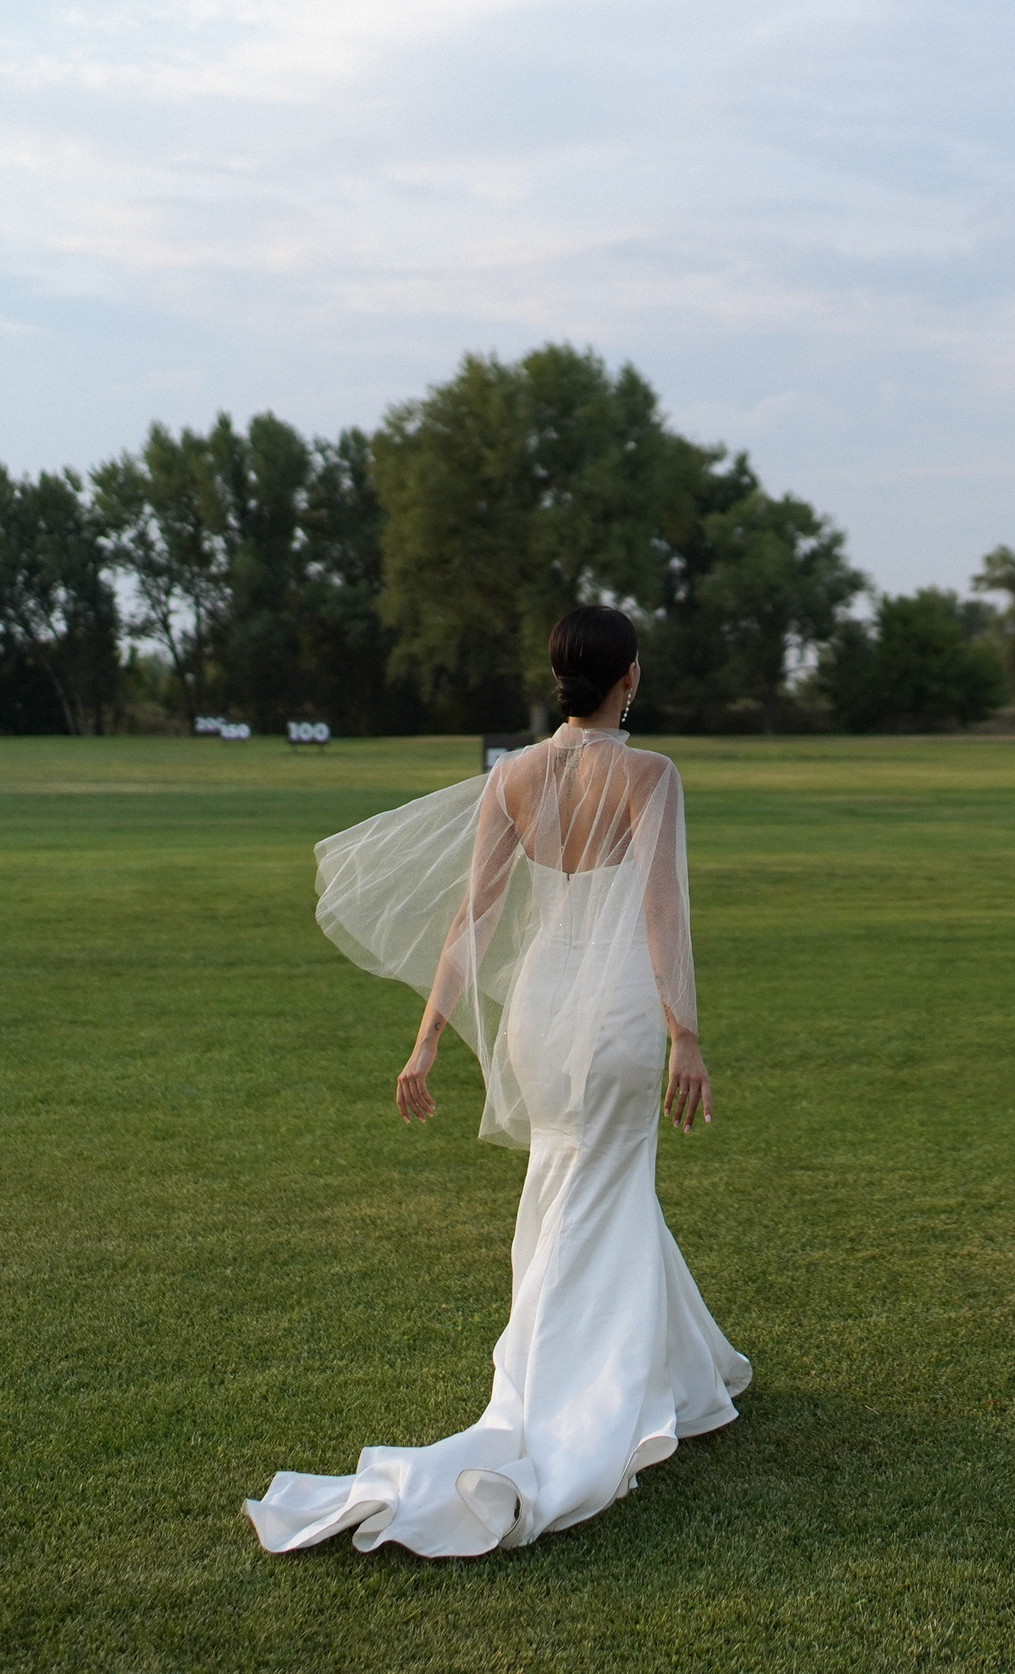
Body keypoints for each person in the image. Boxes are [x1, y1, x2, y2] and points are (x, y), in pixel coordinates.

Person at [243, 606, 749, 1557]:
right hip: (622, 1012)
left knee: (577, 1179)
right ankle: (564, 1393)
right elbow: (662, 913)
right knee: (601, 1182)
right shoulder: (651, 775)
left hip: (541, 1013)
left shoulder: (511, 776)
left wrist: (427, 1037)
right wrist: (687, 1033)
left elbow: (471, 920)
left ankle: (687, 1373)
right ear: (628, 679)